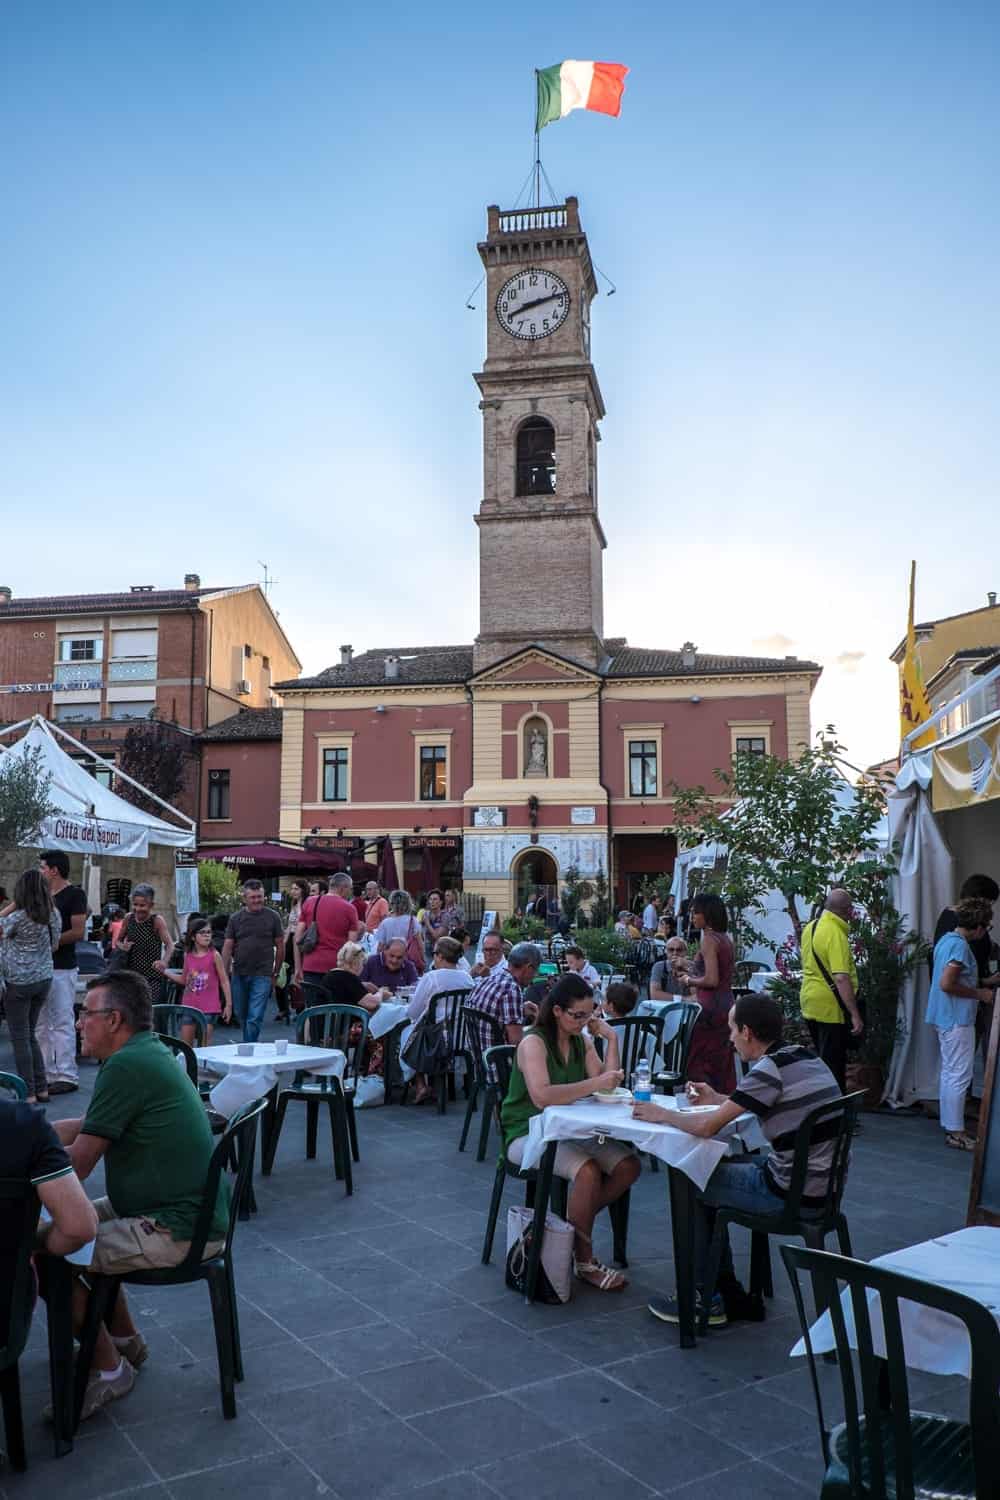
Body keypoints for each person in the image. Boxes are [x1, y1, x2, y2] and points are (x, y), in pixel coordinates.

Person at [52, 971, 230, 1418]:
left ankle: (110, 1370)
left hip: (178, 1226)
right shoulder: (144, 1054)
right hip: (170, 1207)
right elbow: (90, 1125)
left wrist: (19, 1168)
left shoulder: (127, 1067)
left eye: (85, 1014)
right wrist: (23, 1134)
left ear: (114, 1020)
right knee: (71, 1233)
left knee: (49, 1255)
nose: (78, 1024)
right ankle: (127, 1342)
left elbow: (80, 1163)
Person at [635, 993, 842, 1328]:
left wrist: (661, 1114)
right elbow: (747, 1103)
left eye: (732, 1030)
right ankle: (725, 1287)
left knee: (690, 1176)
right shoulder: (803, 1057)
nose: (729, 1039)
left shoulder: (769, 1069)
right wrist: (717, 1098)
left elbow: (705, 1126)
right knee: (713, 1169)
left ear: (747, 1032)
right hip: (822, 1186)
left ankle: (705, 1296)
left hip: (791, 1194)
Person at [501, 973, 640, 1291]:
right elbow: (542, 1096)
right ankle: (584, 1259)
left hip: (572, 1129)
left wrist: (613, 1040)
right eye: (577, 1015)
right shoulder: (533, 1042)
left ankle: (564, 1229)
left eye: (588, 1015)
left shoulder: (582, 1040)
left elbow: (608, 1086)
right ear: (557, 1011)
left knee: (628, 1166)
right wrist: (596, 1084)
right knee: (588, 1173)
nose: (582, 1022)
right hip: (529, 1131)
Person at [3, 1100, 97, 1350]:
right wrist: (29, 1242)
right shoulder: (23, 1124)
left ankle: (111, 1353)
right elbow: (79, 1228)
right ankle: (109, 1355)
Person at [926, 896, 999, 1150]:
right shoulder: (959, 947)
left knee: (950, 1073)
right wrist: (982, 994)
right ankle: (956, 1133)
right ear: (978, 927)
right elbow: (948, 983)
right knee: (959, 1075)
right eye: (987, 927)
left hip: (943, 1016)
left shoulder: (946, 940)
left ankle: (951, 1125)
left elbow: (957, 978)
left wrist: (985, 982)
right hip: (956, 1018)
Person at [0, 869, 63, 1102]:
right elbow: (55, 945)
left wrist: (13, 905)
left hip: (18, 982)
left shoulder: (17, 917)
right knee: (31, 1035)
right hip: (43, 980)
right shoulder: (53, 914)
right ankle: (42, 1087)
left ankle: (28, 1092)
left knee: (20, 1037)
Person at [799, 887, 864, 1093]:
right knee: (834, 1067)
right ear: (846, 910)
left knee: (823, 1062)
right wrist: (854, 1014)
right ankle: (836, 1117)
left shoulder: (810, 927)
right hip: (830, 1007)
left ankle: (825, 1110)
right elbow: (841, 977)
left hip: (810, 1001)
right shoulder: (835, 933)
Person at [399, 935, 475, 1104]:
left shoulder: (432, 978)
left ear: (440, 955)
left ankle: (420, 1083)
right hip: (461, 1038)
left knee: (406, 1033)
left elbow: (413, 1012)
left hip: (436, 1037)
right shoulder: (467, 978)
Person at [37, 850, 88, 1095]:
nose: (40, 871)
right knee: (41, 1023)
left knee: (61, 1021)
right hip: (40, 967)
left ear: (54, 870)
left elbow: (78, 931)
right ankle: (46, 1073)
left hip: (62, 967)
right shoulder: (42, 895)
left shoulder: (75, 894)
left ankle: (66, 1074)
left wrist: (50, 942)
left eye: (42, 867)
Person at [680, 893, 737, 1094]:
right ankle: (722, 1103)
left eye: (696, 913)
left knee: (700, 1062)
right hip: (725, 1004)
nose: (692, 918)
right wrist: (688, 965)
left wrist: (688, 980)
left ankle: (701, 1105)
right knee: (721, 1060)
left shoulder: (709, 940)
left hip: (709, 1009)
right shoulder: (725, 939)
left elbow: (711, 979)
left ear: (707, 915)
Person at [223, 879, 285, 1041]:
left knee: (255, 1016)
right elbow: (228, 946)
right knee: (241, 1013)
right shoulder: (235, 919)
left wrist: (276, 972)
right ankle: (249, 1043)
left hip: (263, 973)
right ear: (245, 898)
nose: (257, 900)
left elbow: (280, 945)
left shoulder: (273, 917)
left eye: (260, 896)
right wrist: (223, 972)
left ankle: (249, 1048)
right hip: (240, 972)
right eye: (253, 897)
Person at [155, 917, 233, 1045]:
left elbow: (224, 981)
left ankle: (201, 1066)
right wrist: (165, 972)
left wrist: (228, 1005)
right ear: (192, 937)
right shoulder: (188, 956)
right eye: (202, 933)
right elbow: (184, 980)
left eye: (209, 932)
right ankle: (189, 1065)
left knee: (204, 1046)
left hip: (209, 1008)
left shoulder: (214, 955)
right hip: (189, 1006)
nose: (207, 935)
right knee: (186, 1046)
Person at [294, 871, 361, 1005]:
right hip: (336, 969)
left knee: (313, 1011)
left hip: (310, 966)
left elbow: (297, 938)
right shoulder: (349, 909)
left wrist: (298, 967)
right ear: (343, 888)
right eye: (350, 888)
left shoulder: (310, 902)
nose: (350, 892)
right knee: (334, 1013)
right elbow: (351, 947)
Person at [470, 941, 540, 1058]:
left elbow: (493, 1012)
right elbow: (516, 1044)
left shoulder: (489, 979)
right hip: (500, 1066)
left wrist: (520, 1009)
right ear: (528, 968)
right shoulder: (512, 989)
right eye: (535, 971)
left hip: (479, 1063)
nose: (535, 976)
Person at [112, 884, 171, 994]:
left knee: (150, 1007)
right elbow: (117, 941)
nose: (138, 909)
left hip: (152, 977)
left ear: (151, 905)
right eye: (135, 905)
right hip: (131, 976)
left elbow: (169, 945)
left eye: (142, 905)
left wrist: (164, 961)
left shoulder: (156, 921)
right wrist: (123, 947)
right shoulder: (128, 918)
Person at [373, 890, 424, 972]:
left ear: (392, 904)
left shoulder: (385, 923)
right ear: (408, 904)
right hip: (409, 961)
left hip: (390, 962)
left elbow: (380, 947)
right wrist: (422, 959)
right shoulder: (413, 921)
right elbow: (420, 945)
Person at [421, 889, 447, 962]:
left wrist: (427, 923)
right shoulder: (425, 914)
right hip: (427, 951)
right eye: (430, 899)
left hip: (441, 953)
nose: (432, 901)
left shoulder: (445, 916)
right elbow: (421, 934)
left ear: (441, 902)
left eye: (435, 899)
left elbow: (436, 936)